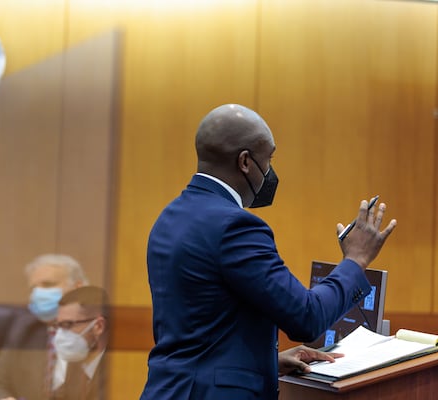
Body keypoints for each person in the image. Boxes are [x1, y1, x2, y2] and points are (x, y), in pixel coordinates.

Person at [139, 104, 397, 400]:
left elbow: (199, 330)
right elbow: (306, 317)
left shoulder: (170, 217)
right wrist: (356, 259)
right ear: (245, 162)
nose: (271, 171)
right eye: (269, 158)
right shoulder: (235, 226)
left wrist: (266, 365)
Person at [0, 253, 89, 400]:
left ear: (77, 288)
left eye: (48, 285)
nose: (38, 294)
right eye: (34, 288)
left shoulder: (100, 334)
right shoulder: (25, 330)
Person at [51, 285, 109, 400]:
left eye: (67, 325)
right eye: (58, 326)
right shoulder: (74, 364)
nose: (60, 335)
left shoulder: (119, 369)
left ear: (98, 326)